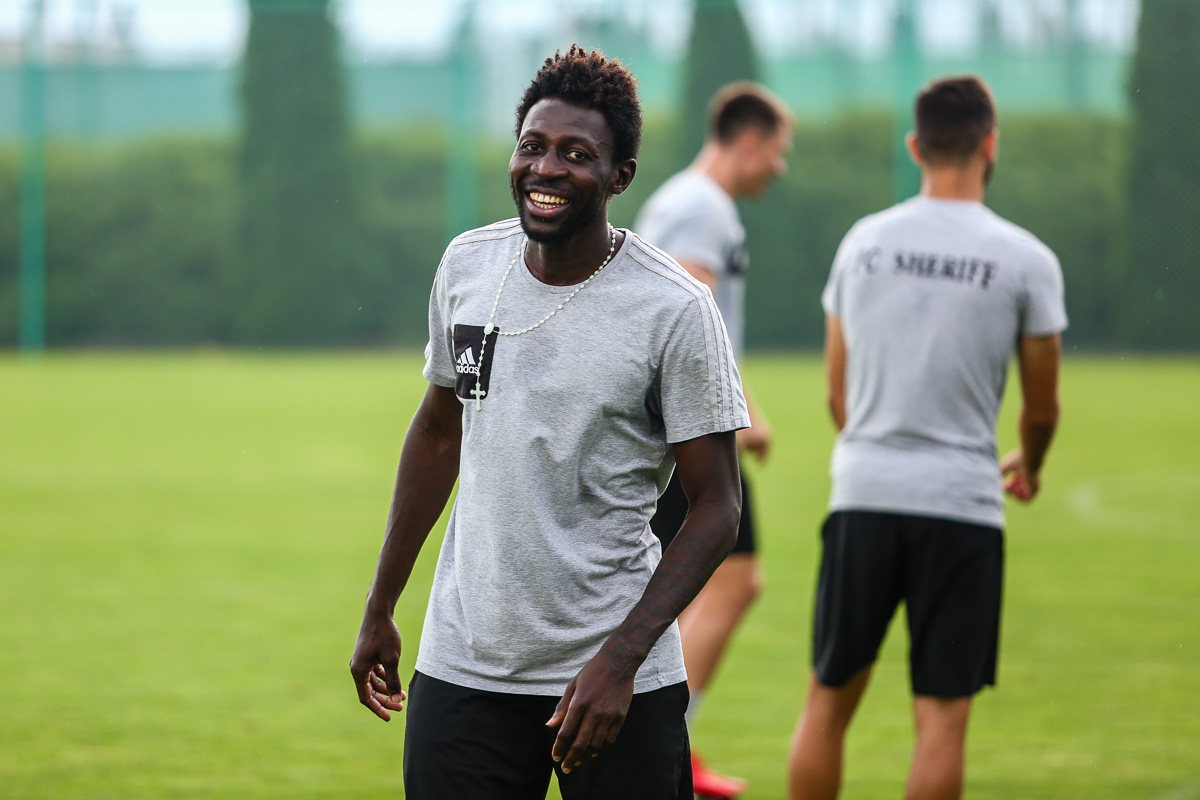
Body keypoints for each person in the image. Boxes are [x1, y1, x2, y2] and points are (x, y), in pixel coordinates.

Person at [349, 45, 749, 800]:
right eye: (532, 146)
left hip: (613, 681)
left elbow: (718, 507)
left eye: (576, 154)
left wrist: (620, 661)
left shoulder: (674, 308)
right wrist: (381, 606)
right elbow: (438, 431)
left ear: (620, 176)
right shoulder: (468, 267)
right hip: (464, 667)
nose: (546, 169)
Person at [788, 75, 1065, 800]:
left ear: (915, 146)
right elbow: (1041, 411)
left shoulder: (864, 243)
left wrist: (876, 451)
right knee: (941, 722)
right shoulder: (1027, 259)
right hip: (962, 504)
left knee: (826, 703)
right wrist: (1031, 465)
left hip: (864, 494)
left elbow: (837, 394)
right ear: (990, 144)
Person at [634, 81, 791, 799]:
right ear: (748, 140)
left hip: (669, 424)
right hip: (687, 428)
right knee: (733, 579)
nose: (778, 168)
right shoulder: (703, 207)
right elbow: (699, 314)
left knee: (691, 583)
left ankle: (671, 744)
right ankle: (664, 740)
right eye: (777, 152)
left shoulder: (679, 198)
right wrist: (744, 411)